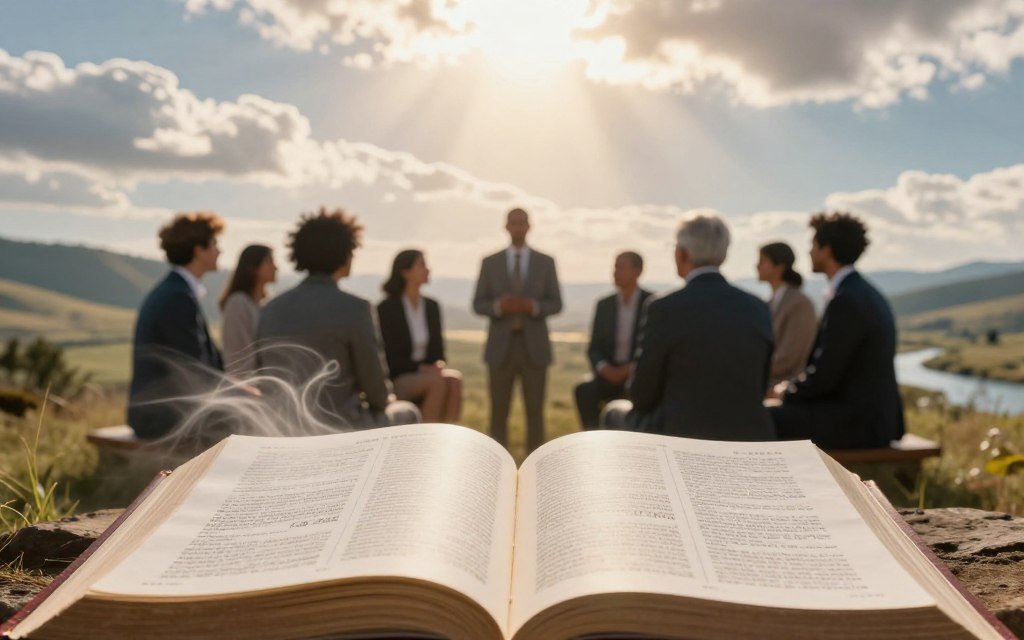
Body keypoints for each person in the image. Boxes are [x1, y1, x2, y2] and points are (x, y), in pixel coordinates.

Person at [601, 211, 775, 441]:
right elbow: (759, 386)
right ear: (723, 254)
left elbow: (641, 396)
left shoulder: (663, 307)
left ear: (681, 254)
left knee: (613, 412)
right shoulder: (758, 307)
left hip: (679, 432)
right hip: (748, 432)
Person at [257, 208, 420, 428]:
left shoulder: (270, 308)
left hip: (282, 427)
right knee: (408, 413)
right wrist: (386, 399)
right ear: (344, 255)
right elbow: (376, 392)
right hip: (340, 427)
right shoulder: (356, 308)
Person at [769, 212, 905, 449]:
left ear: (826, 250)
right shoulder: (863, 292)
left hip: (859, 423)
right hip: (874, 418)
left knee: (762, 418)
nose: (809, 252)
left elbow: (825, 376)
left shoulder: (847, 300)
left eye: (813, 245)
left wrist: (785, 392)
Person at [472, 207, 562, 454]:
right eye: (514, 222)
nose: (518, 227)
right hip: (501, 349)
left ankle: (536, 468)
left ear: (529, 226)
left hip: (534, 348)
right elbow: (478, 303)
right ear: (506, 226)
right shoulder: (490, 262)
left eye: (522, 222)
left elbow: (556, 303)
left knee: (535, 413)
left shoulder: (546, 262)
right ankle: (497, 467)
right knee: (498, 412)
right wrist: (500, 306)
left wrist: (531, 306)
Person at [128, 212, 225, 440]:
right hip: (162, 415)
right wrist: (239, 393)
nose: (219, 250)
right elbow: (194, 367)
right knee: (249, 418)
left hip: (168, 409)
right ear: (198, 250)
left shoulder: (177, 291)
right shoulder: (177, 297)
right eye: (214, 244)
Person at [377, 249, 463, 423]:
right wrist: (421, 369)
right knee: (437, 383)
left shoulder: (432, 306)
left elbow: (439, 350)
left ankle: (448, 438)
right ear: (405, 272)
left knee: (455, 380)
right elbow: (389, 357)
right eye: (421, 264)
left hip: (428, 374)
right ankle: (424, 442)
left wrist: (437, 365)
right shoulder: (387, 309)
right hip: (400, 377)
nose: (428, 269)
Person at [574, 251, 652, 429]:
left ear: (638, 271)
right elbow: (594, 348)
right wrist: (605, 369)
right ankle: (592, 440)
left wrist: (630, 369)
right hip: (607, 375)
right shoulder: (604, 305)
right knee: (584, 390)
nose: (615, 272)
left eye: (621, 267)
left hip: (638, 377)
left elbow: (655, 349)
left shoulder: (652, 304)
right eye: (615, 267)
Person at [757, 242, 817, 387]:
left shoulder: (799, 304)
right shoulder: (769, 303)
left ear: (779, 266)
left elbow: (789, 359)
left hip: (787, 392)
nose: (757, 266)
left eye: (762, 261)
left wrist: (748, 369)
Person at [220, 244, 277, 377]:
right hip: (248, 389)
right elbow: (239, 355)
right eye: (269, 261)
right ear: (253, 267)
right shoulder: (238, 303)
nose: (275, 267)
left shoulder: (262, 305)